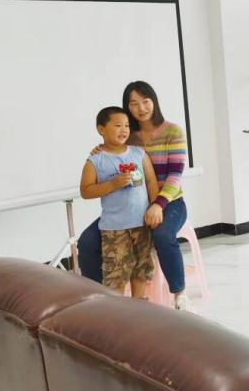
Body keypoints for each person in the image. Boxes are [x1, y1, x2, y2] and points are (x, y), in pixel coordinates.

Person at [78, 81, 193, 311]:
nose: (141, 108)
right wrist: (100, 149)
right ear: (127, 107)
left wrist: (157, 204)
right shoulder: (128, 136)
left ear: (154, 101)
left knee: (162, 234)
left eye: (145, 101)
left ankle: (179, 293)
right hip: (134, 207)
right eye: (134, 103)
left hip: (170, 202)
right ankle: (97, 298)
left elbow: (175, 175)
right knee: (87, 242)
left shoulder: (173, 132)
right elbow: (113, 150)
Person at [79, 107, 159, 298]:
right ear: (101, 129)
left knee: (142, 269)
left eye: (126, 126)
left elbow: (151, 181)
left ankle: (139, 307)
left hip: (142, 224)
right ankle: (119, 311)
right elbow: (85, 191)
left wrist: (155, 206)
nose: (123, 130)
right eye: (117, 125)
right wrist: (112, 184)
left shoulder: (138, 154)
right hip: (114, 228)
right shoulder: (95, 160)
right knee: (116, 274)